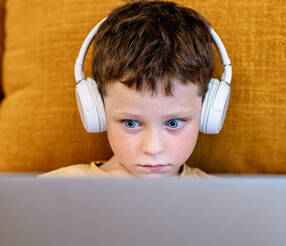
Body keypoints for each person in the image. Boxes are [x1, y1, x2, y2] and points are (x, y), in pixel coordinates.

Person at [41, 0, 219, 178]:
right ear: (98, 112)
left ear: (207, 113)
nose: (153, 148)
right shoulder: (54, 186)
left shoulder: (218, 196)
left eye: (173, 123)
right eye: (131, 123)